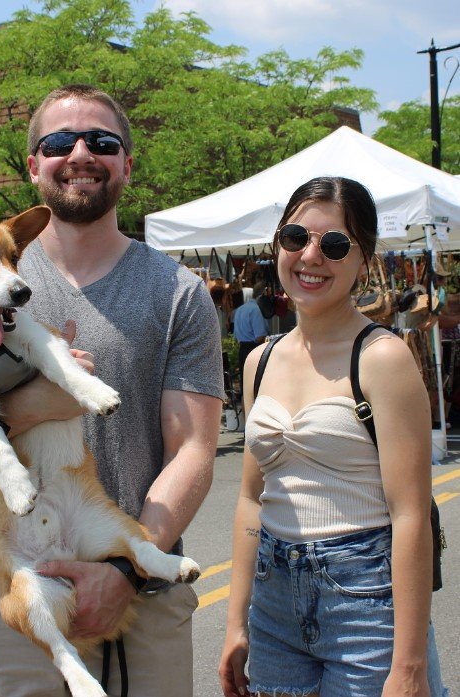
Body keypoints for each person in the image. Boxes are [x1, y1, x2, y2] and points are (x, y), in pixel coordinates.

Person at [0, 83, 224, 697]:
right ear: (32, 163)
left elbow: (195, 450)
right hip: (11, 585)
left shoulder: (178, 291)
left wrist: (124, 569)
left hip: (142, 594)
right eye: (57, 142)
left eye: (101, 141)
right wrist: (33, 406)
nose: (79, 154)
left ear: (127, 161)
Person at [219, 176, 447, 697]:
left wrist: (408, 665)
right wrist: (236, 624)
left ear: (363, 259)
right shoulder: (260, 361)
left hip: (366, 600)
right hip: (273, 603)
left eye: (335, 244)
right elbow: (253, 498)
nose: (311, 256)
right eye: (296, 238)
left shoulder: (382, 357)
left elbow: (410, 513)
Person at [231, 284, 269, 386]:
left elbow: (235, 335)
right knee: (255, 384)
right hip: (254, 349)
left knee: (245, 385)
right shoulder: (255, 309)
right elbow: (259, 336)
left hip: (242, 350)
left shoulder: (239, 310)